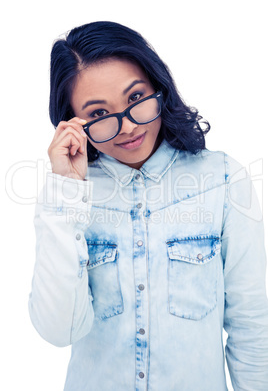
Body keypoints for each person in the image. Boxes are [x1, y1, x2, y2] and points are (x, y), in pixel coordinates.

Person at [28, 21, 268, 390]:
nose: (126, 127)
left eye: (136, 98)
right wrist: (66, 193)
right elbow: (59, 330)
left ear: (158, 87)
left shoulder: (221, 179)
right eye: (98, 114)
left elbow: (253, 326)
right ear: (72, 122)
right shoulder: (68, 194)